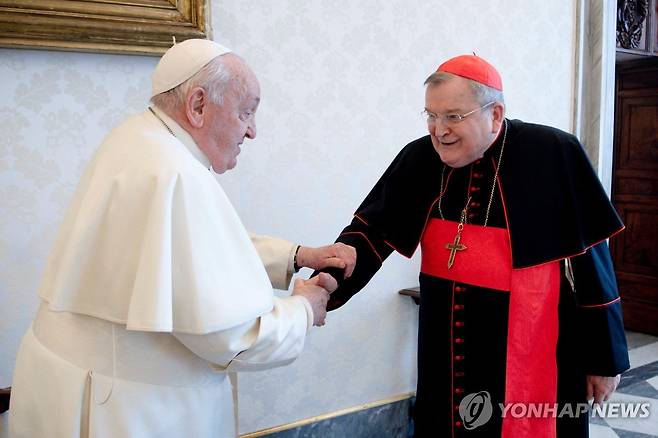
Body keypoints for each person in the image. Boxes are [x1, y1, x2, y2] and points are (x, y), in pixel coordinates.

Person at [8, 39, 356, 438]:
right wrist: (304, 308)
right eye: (246, 113)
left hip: (65, 381)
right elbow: (235, 338)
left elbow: (186, 248)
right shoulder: (175, 172)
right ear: (197, 105)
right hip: (130, 408)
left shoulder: (138, 139)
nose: (253, 131)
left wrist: (296, 256)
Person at [319, 55, 629, 437]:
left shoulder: (552, 152)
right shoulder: (420, 158)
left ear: (495, 114)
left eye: (453, 116)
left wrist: (604, 358)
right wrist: (328, 282)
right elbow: (371, 232)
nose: (439, 130)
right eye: (430, 115)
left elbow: (593, 267)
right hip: (446, 346)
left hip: (532, 347)